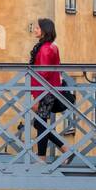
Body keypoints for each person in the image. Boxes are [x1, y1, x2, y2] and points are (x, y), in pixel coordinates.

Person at [29, 18, 71, 160]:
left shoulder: (46, 49)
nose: (35, 30)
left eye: (37, 28)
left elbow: (43, 76)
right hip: (50, 91)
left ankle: (45, 157)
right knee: (40, 123)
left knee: (40, 123)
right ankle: (62, 150)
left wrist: (37, 98)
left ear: (44, 30)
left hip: (45, 92)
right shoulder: (51, 47)